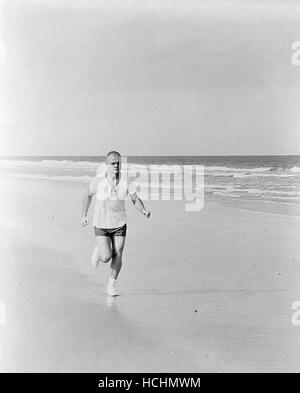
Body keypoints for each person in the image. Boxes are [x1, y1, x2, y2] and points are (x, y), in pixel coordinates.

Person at [81, 151, 151, 296]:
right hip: (101, 223)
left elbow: (135, 199)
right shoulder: (98, 181)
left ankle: (111, 287)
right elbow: (87, 195)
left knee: (118, 253)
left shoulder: (126, 182)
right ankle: (98, 251)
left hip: (119, 224)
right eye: (113, 163)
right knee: (106, 257)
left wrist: (143, 209)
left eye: (118, 163)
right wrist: (84, 215)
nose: (116, 165)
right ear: (107, 165)